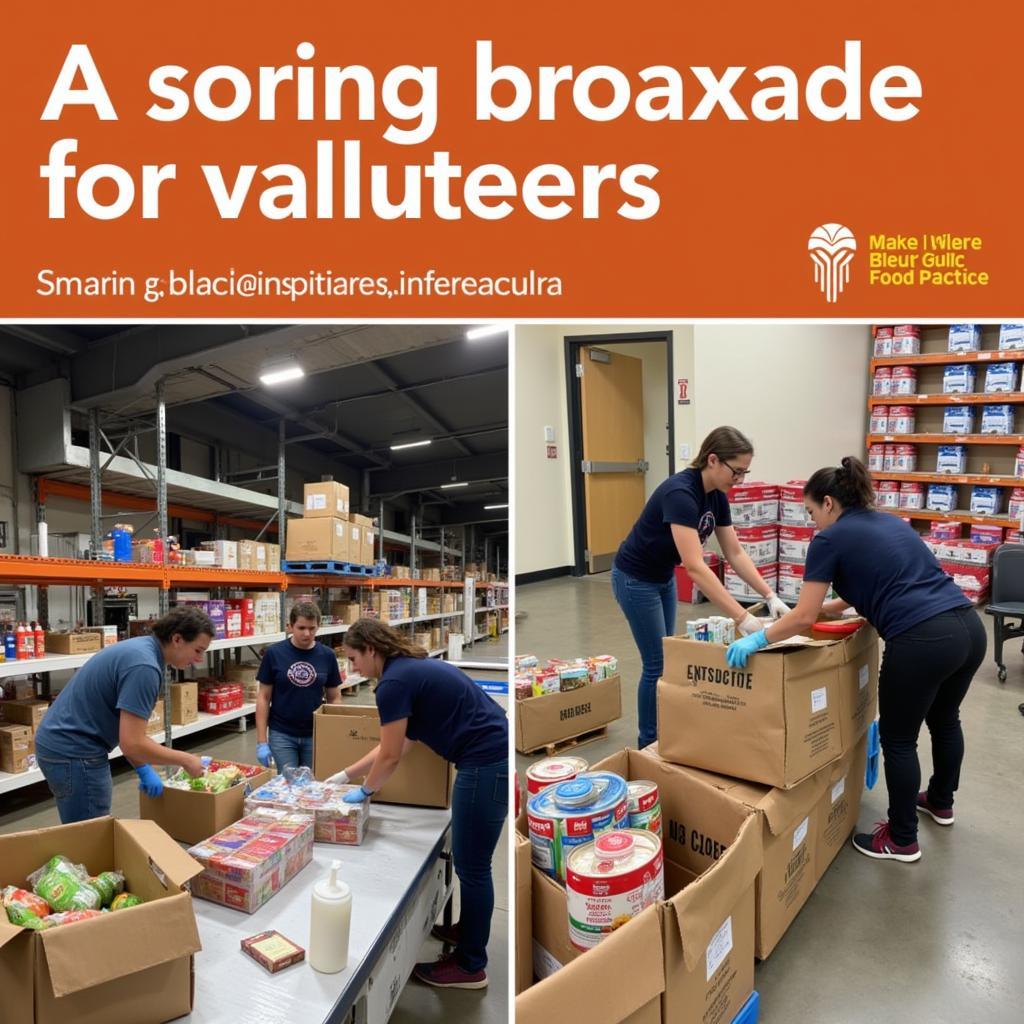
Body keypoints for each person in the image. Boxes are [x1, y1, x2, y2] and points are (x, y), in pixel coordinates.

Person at [726, 456, 986, 863]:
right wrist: (832, 608)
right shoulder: (889, 523)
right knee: (945, 719)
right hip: (968, 629)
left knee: (898, 740)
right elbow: (882, 577)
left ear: (828, 503)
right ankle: (940, 801)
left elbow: (803, 616)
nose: (812, 521)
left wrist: (758, 637)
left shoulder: (829, 539)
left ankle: (902, 839)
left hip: (922, 639)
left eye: (811, 511)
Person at [324, 618, 508, 990]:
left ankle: (471, 966)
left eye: (354, 658)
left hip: (484, 765)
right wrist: (345, 775)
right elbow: (399, 744)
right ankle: (468, 932)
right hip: (493, 759)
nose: (352, 668)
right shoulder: (410, 670)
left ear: (371, 650)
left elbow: (390, 756)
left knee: (474, 869)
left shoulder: (392, 684)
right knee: (473, 866)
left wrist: (367, 791)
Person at [612, 425, 791, 747]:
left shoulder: (716, 496)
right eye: (737, 471)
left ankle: (665, 732)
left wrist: (769, 595)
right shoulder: (680, 493)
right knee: (656, 664)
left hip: (662, 576)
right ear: (712, 460)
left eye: (745, 472)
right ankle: (648, 744)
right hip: (635, 579)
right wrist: (743, 618)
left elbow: (734, 552)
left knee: (668, 657)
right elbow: (695, 567)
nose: (740, 480)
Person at [34, 606, 215, 824]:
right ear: (177, 639)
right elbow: (133, 743)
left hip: (61, 743)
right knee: (90, 833)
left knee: (81, 827)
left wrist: (142, 767)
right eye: (197, 650)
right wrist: (186, 760)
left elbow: (127, 732)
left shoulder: (142, 649)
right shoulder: (145, 667)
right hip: (74, 751)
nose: (199, 660)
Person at [255, 600, 343, 771]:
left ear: (318, 627)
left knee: (311, 786)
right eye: (301, 628)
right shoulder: (274, 654)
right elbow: (264, 697)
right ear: (290, 626)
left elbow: (335, 697)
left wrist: (334, 730)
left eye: (312, 628)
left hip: (315, 733)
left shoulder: (327, 655)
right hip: (282, 733)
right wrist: (261, 742)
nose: (307, 634)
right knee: (288, 786)